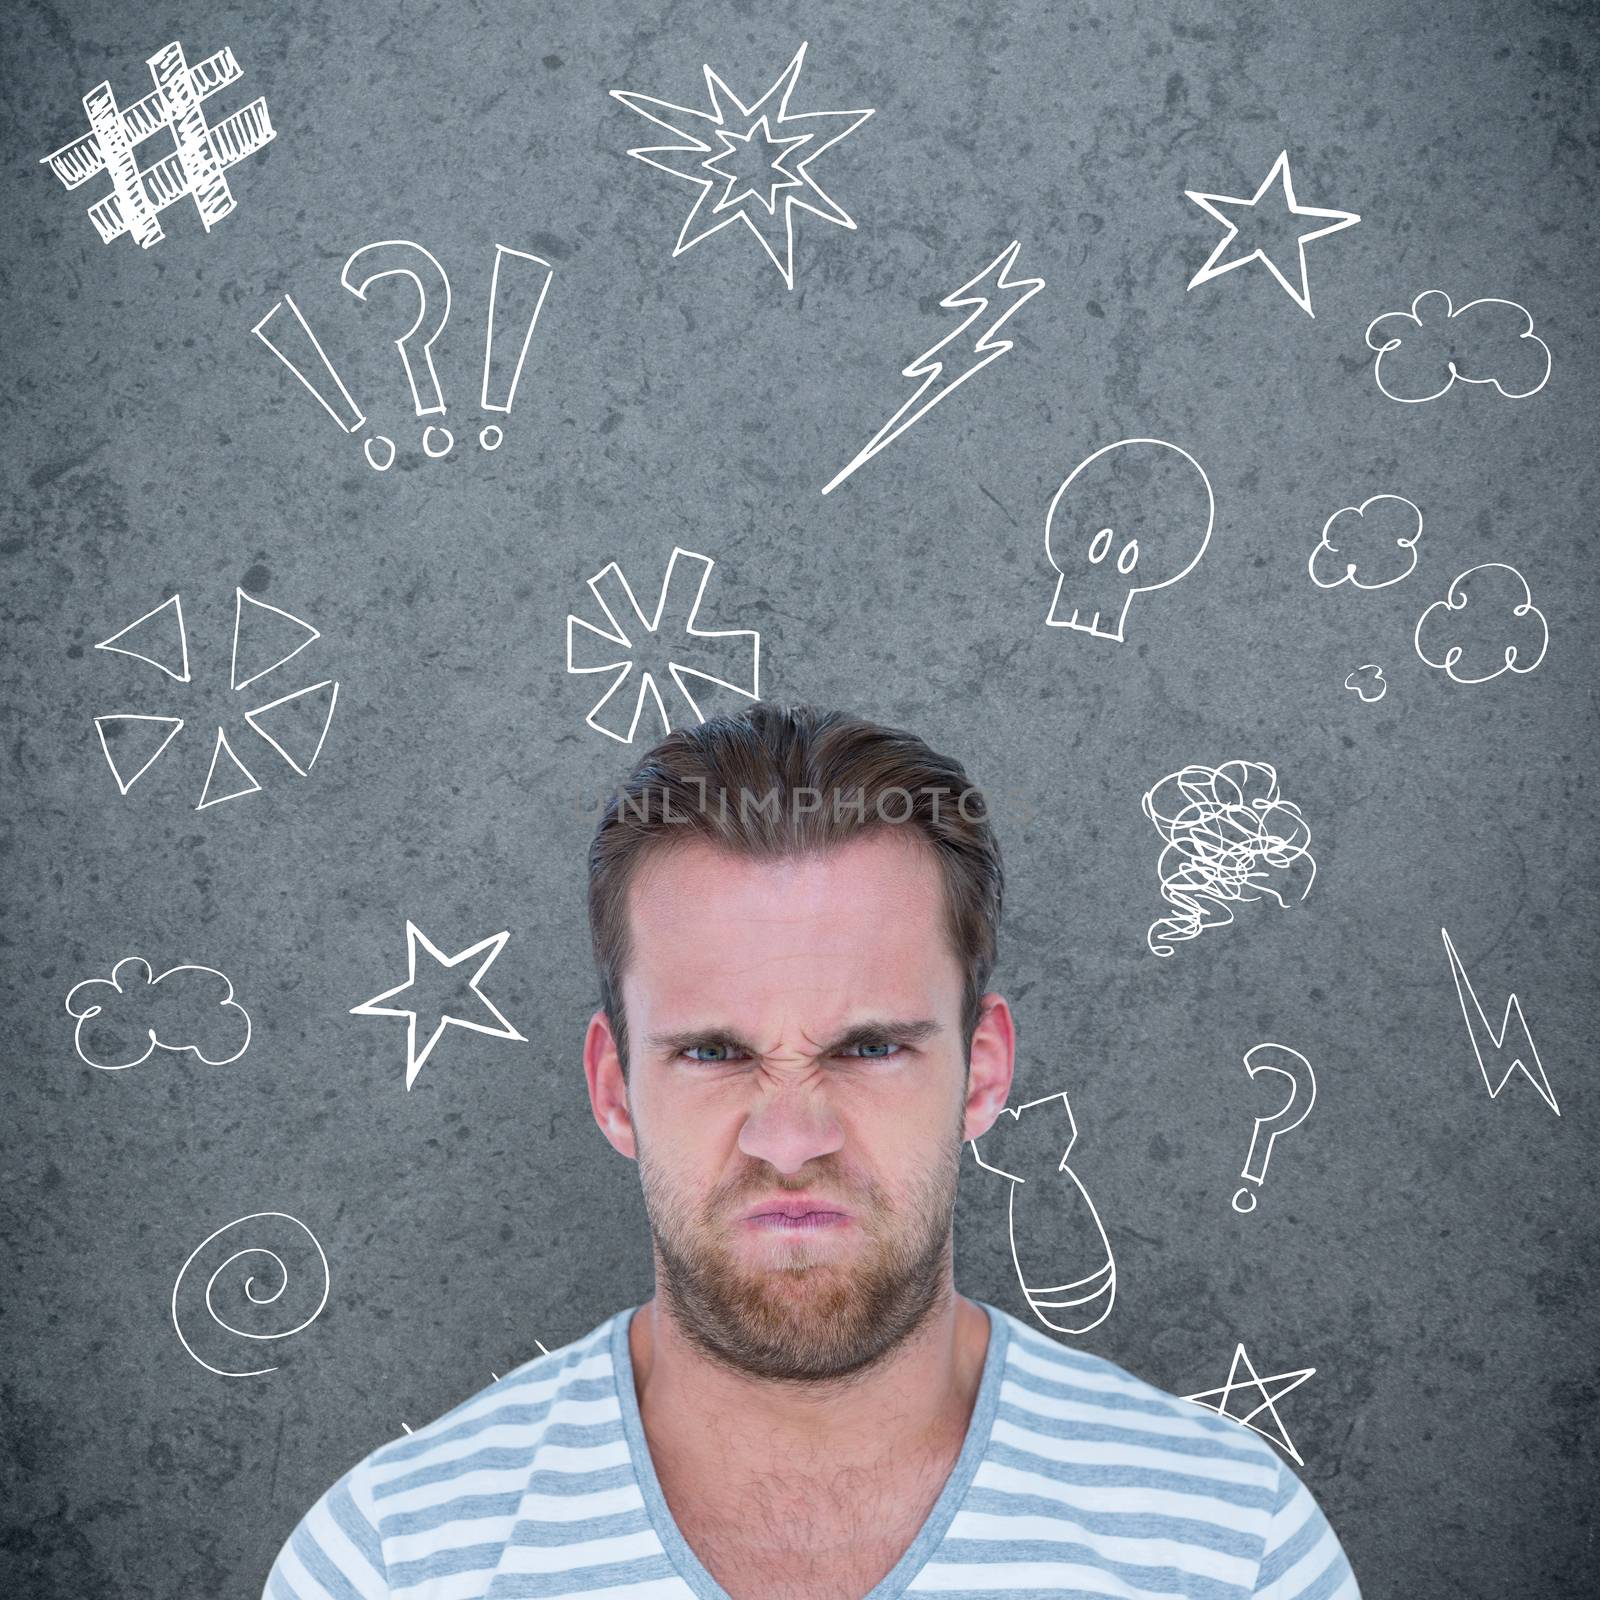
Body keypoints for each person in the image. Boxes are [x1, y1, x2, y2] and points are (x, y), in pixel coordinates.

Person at [264, 702, 1361, 1599]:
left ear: (982, 1074)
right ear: (614, 1089)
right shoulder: (391, 1562)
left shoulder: (1226, 1548)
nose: (789, 1140)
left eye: (870, 1046)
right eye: (711, 1052)